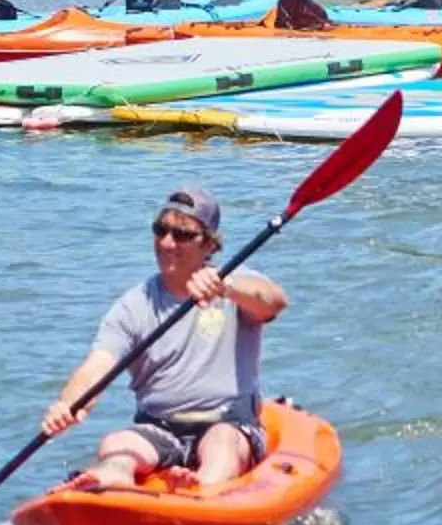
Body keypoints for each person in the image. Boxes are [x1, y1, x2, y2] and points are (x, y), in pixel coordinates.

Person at [42, 188, 286, 492]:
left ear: (209, 244)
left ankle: (201, 490)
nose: (167, 243)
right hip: (159, 427)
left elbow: (273, 302)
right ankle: (108, 481)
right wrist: (68, 404)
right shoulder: (134, 305)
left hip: (227, 423)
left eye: (182, 234)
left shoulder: (236, 285)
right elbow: (98, 366)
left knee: (221, 443)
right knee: (116, 444)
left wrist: (227, 286)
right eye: (161, 230)